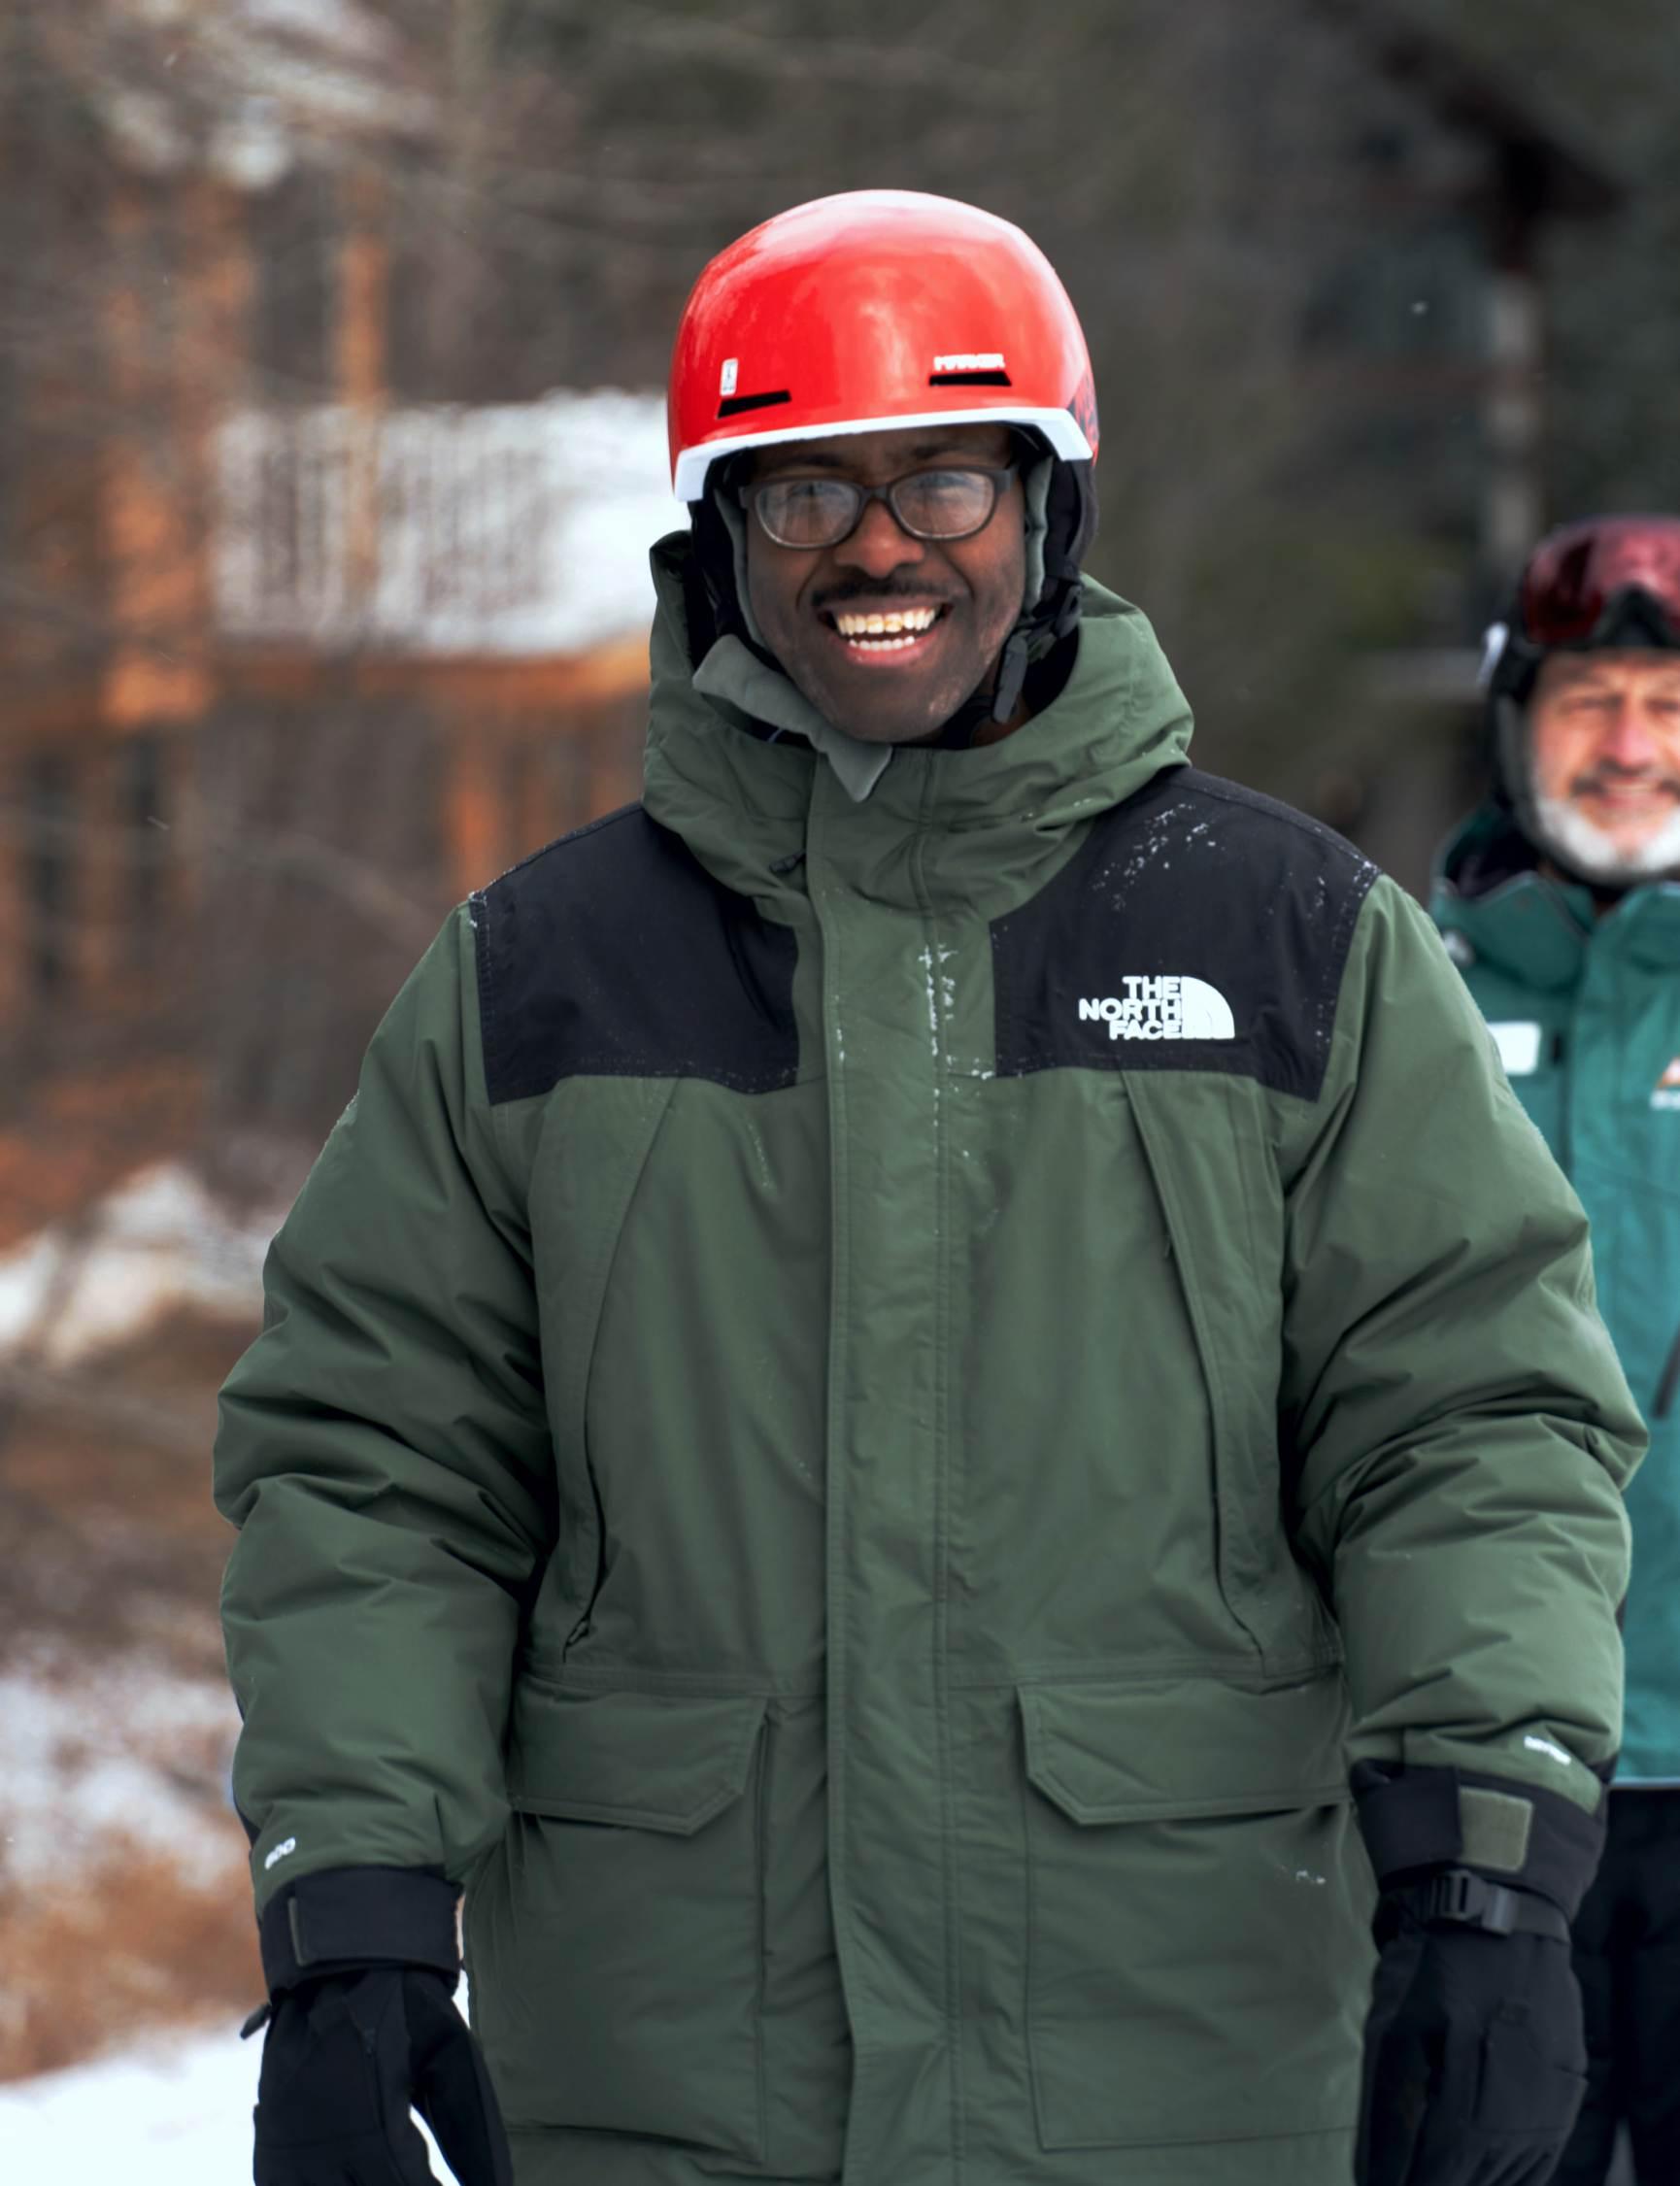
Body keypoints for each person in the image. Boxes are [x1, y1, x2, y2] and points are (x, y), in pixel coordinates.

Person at [216, 192, 1643, 2186]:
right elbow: (379, 1468)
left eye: (946, 480)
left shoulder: (1291, 941)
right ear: (718, 543)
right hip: (665, 2081)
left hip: (1184, 2068)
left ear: (1049, 511)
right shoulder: (537, 980)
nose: (877, 546)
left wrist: (1486, 1871)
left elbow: (1470, 1425)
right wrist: (351, 1905)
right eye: (803, 493)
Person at [1437, 514, 1680, 2185]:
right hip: (1476, 1778)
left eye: (1666, 706)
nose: (1629, 744)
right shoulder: (1398, 984)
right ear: (1514, 718)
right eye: (1589, 700)